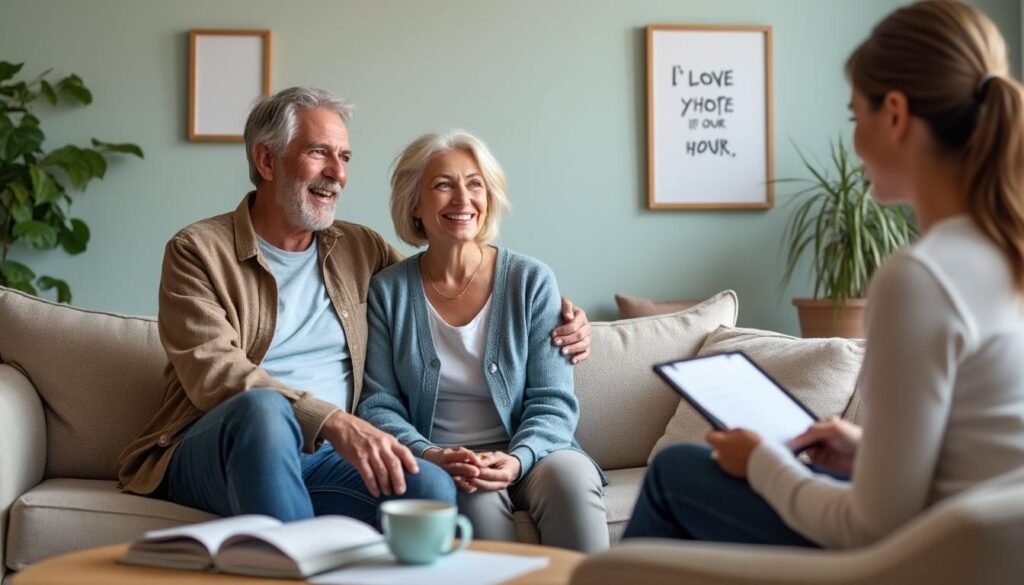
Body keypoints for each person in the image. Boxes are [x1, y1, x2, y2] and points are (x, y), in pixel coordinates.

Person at [623, 0, 1024, 549]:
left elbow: (866, 527)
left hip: (922, 559)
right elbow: (981, 454)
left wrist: (764, 462)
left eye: (856, 116)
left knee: (675, 473)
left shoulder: (922, 279)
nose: (856, 140)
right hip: (981, 549)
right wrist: (868, 449)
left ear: (897, 114)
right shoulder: (1004, 255)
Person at [115, 88, 593, 527]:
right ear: (266, 159)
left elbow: (440, 283)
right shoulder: (197, 251)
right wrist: (332, 421)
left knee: (429, 486)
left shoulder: (358, 248)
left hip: (327, 457)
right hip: (222, 445)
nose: (337, 173)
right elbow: (213, 374)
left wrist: (557, 315)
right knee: (262, 411)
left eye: (343, 157)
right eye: (319, 152)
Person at [357, 130, 609, 552]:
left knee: (571, 480)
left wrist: (517, 459)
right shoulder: (389, 292)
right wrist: (431, 454)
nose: (462, 199)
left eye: (474, 183)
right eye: (443, 185)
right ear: (414, 203)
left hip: (538, 451)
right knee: (473, 500)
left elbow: (553, 400)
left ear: (488, 197)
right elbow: (378, 404)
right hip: (449, 459)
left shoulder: (530, 281)